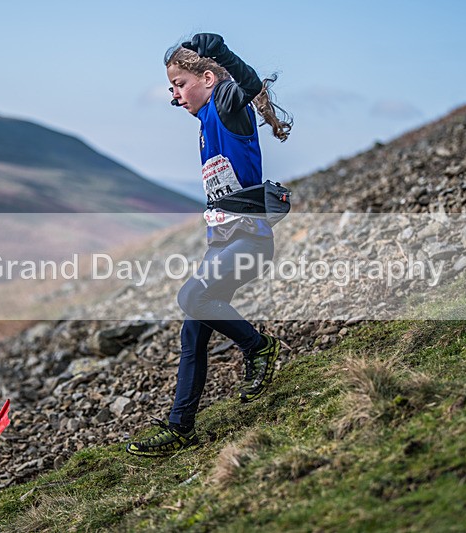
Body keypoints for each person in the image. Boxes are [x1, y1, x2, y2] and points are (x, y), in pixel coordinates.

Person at [126, 33, 292, 457]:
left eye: (179, 84)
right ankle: (180, 427)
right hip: (221, 244)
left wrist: (220, 51)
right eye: (171, 89)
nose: (174, 96)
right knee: (192, 334)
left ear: (207, 77)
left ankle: (259, 347)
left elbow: (251, 85)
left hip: (250, 241)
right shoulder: (204, 124)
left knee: (191, 296)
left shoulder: (227, 106)